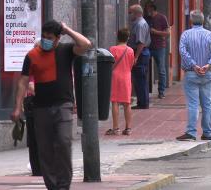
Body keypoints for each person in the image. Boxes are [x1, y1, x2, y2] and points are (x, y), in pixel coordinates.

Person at [11, 20, 92, 190]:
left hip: (63, 105)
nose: (45, 40)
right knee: (45, 150)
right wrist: (18, 107)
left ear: (57, 39)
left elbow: (85, 44)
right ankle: (52, 186)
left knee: (63, 142)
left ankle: (63, 185)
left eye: (50, 38)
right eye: (43, 37)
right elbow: (23, 82)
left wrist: (67, 29)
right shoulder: (32, 55)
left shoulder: (65, 50)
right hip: (41, 108)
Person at [176, 10, 211, 141]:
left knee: (193, 104)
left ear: (191, 21)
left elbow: (183, 52)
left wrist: (194, 65)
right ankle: (207, 132)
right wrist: (208, 65)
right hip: (206, 73)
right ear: (203, 21)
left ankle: (191, 131)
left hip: (191, 72)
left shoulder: (186, 35)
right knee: (207, 104)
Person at [106, 28, 135, 136]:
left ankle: (116, 128)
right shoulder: (131, 50)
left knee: (115, 102)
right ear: (128, 38)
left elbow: (110, 63)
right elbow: (131, 65)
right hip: (126, 76)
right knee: (127, 103)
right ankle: (128, 128)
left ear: (118, 37)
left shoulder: (113, 49)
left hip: (115, 77)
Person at [127, 4, 151, 109]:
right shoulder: (139, 23)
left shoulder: (140, 24)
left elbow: (140, 43)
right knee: (140, 78)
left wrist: (136, 56)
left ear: (136, 13)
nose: (129, 15)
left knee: (140, 78)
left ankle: (143, 103)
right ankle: (142, 101)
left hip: (140, 53)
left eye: (130, 12)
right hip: (141, 53)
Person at [145, 1, 170, 99]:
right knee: (144, 68)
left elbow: (167, 33)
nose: (146, 10)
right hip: (147, 47)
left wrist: (156, 32)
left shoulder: (161, 18)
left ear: (152, 8)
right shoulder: (146, 18)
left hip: (159, 47)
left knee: (161, 70)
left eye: (147, 8)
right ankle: (145, 90)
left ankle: (161, 91)